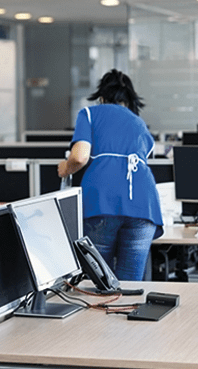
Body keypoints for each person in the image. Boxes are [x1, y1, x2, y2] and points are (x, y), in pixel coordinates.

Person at [58, 69, 163, 281]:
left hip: (103, 201)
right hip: (144, 206)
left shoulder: (89, 114)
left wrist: (65, 168)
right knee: (129, 285)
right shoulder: (138, 123)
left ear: (102, 97)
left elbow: (79, 157)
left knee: (98, 283)